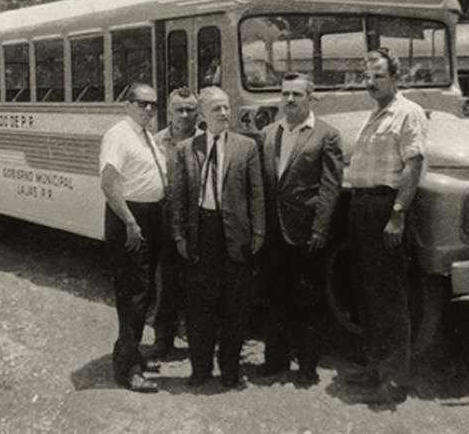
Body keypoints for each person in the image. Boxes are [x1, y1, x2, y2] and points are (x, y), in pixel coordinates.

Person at [345, 48, 427, 405]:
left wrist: (397, 213)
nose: (371, 82)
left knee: (390, 297)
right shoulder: (375, 113)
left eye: (378, 75)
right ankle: (375, 367)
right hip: (362, 207)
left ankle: (395, 381)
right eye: (367, 76)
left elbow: (413, 166)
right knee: (368, 293)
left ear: (395, 77)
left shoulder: (407, 113)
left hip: (384, 207)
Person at [171, 86, 265, 388]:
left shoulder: (246, 147)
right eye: (217, 109)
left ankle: (229, 370)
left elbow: (256, 193)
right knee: (200, 307)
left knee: (234, 308)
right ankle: (200, 369)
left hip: (235, 236)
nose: (225, 113)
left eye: (226, 108)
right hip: (202, 234)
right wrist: (179, 236)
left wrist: (259, 231)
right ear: (202, 115)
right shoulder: (187, 148)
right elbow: (178, 198)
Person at [257, 72, 343, 386]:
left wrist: (320, 230)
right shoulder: (268, 133)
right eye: (285, 94)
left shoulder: (326, 135)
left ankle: (307, 366)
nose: (290, 100)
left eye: (296, 94)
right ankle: (275, 359)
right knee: (273, 297)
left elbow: (330, 188)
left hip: (306, 232)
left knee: (308, 301)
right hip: (273, 233)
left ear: (310, 98)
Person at [99, 82, 167, 393]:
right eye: (143, 104)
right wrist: (130, 222)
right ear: (128, 105)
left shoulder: (144, 135)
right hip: (130, 220)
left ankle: (130, 352)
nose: (150, 109)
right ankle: (128, 371)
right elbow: (109, 183)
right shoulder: (118, 135)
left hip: (148, 217)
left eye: (153, 104)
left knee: (144, 291)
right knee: (134, 297)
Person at [151, 87, 199, 358]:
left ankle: (199, 341)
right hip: (166, 225)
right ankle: (163, 339)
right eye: (178, 110)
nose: (184, 115)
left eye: (190, 109)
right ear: (168, 112)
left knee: (199, 287)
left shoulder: (207, 141)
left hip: (200, 225)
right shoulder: (156, 142)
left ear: (198, 112)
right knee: (165, 284)